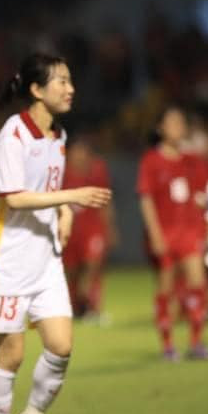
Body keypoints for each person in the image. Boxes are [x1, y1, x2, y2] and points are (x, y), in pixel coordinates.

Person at [0, 53, 111, 414]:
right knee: (12, 355)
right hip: (8, 262)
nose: (71, 89)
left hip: (46, 260)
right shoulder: (13, 134)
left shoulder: (59, 134)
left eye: (71, 81)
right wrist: (73, 196)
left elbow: (48, 190)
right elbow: (15, 197)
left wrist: (64, 211)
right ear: (37, 90)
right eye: (62, 81)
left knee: (61, 346)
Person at [137, 106, 208, 360]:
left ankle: (196, 342)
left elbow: (203, 194)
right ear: (161, 128)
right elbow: (146, 199)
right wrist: (155, 234)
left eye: (181, 123)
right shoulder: (151, 160)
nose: (178, 128)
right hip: (165, 232)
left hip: (190, 231)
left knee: (197, 284)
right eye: (173, 123)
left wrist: (205, 211)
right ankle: (168, 345)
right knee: (166, 289)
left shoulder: (192, 160)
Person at [62, 136, 117, 320]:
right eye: (76, 151)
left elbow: (105, 201)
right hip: (70, 228)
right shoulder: (61, 170)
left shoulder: (98, 169)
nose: (79, 155)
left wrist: (110, 228)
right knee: (72, 271)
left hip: (93, 228)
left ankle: (92, 308)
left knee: (92, 267)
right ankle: (76, 307)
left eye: (82, 151)